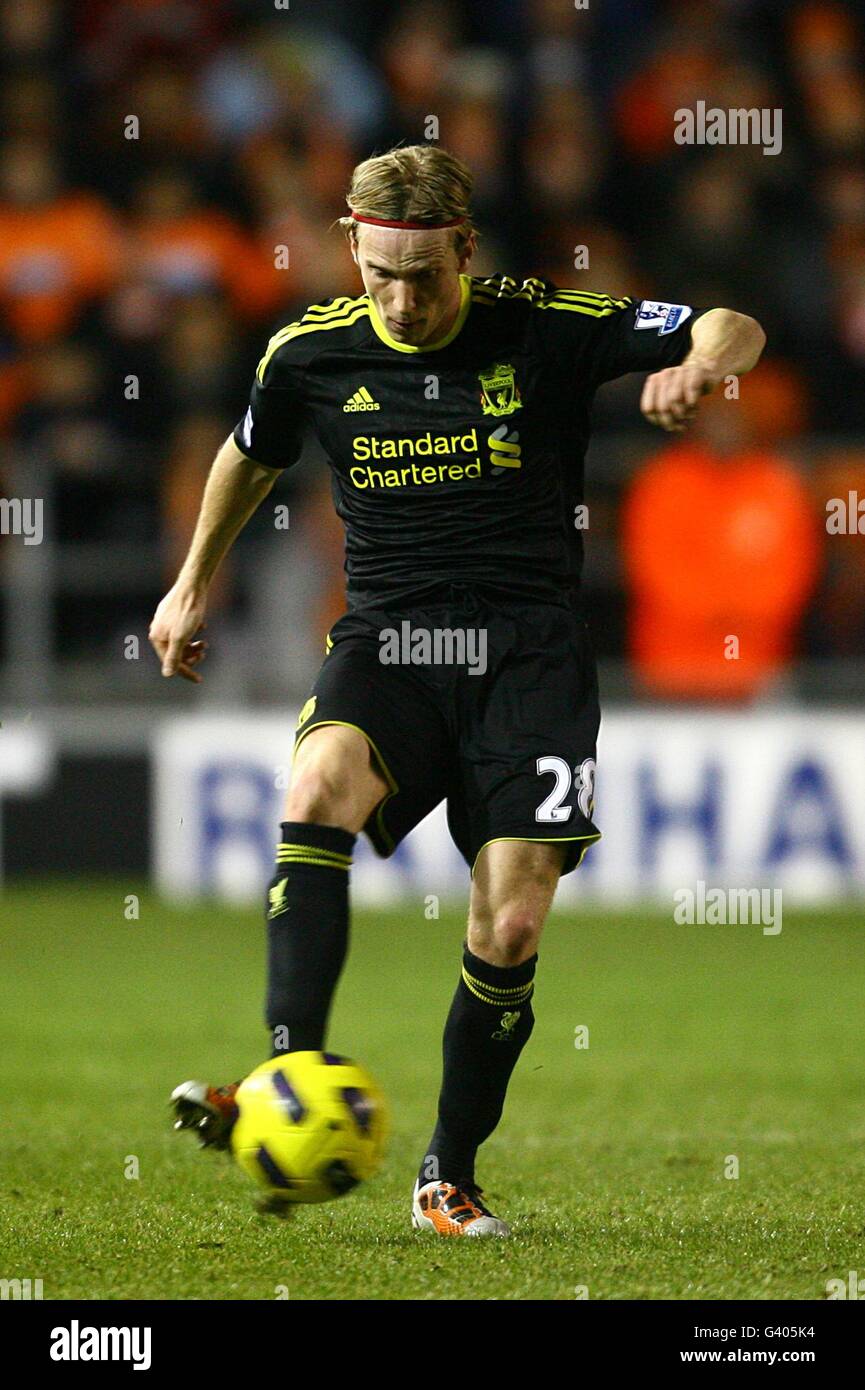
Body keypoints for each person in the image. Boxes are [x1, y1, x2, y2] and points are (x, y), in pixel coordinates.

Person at [149, 145, 765, 1237]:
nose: (401, 297)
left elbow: (731, 324)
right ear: (351, 247)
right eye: (380, 272)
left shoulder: (545, 323)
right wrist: (194, 582)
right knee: (315, 782)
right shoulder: (310, 353)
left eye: (424, 274)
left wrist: (699, 366)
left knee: (513, 919)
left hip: (528, 658)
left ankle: (448, 1170)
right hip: (390, 643)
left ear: (466, 252)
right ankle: (284, 1079)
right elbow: (251, 452)